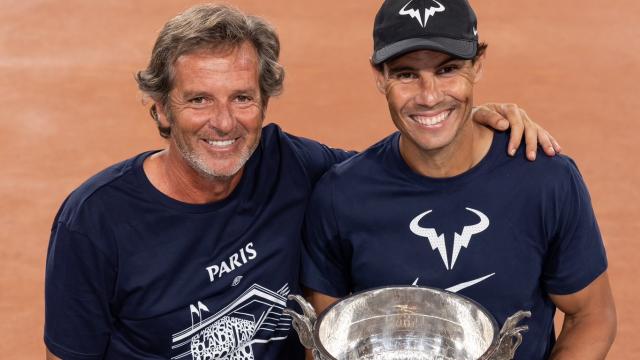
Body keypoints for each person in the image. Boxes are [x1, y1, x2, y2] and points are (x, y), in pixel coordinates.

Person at [44, 3, 559, 360]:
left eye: (242, 98)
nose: (224, 122)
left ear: (264, 103)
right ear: (160, 107)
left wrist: (471, 122)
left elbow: (402, 173)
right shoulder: (94, 221)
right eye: (199, 99)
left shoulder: (296, 168)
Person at [301, 0, 617, 359]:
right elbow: (326, 342)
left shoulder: (546, 180)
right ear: (379, 77)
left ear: (478, 65)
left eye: (448, 69)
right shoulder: (341, 196)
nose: (429, 96)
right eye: (406, 74)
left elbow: (591, 315)